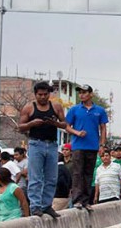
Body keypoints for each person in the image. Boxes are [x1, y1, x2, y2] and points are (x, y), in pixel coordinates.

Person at [17, 81, 66, 218]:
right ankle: (35, 206)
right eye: (40, 95)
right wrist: (32, 123)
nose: (43, 97)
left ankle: (47, 205)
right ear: (35, 94)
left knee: (51, 177)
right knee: (35, 178)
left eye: (45, 94)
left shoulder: (56, 106)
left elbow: (65, 123)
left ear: (49, 94)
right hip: (35, 144)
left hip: (51, 145)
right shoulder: (29, 108)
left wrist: (54, 123)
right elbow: (20, 126)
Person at [65, 84, 108, 210]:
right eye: (80, 93)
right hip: (78, 145)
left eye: (84, 92)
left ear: (90, 94)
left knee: (89, 173)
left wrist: (102, 144)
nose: (82, 95)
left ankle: (86, 200)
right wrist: (77, 132)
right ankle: (77, 199)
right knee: (78, 172)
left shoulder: (99, 110)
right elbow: (66, 126)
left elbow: (103, 128)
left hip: (92, 145)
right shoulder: (74, 109)